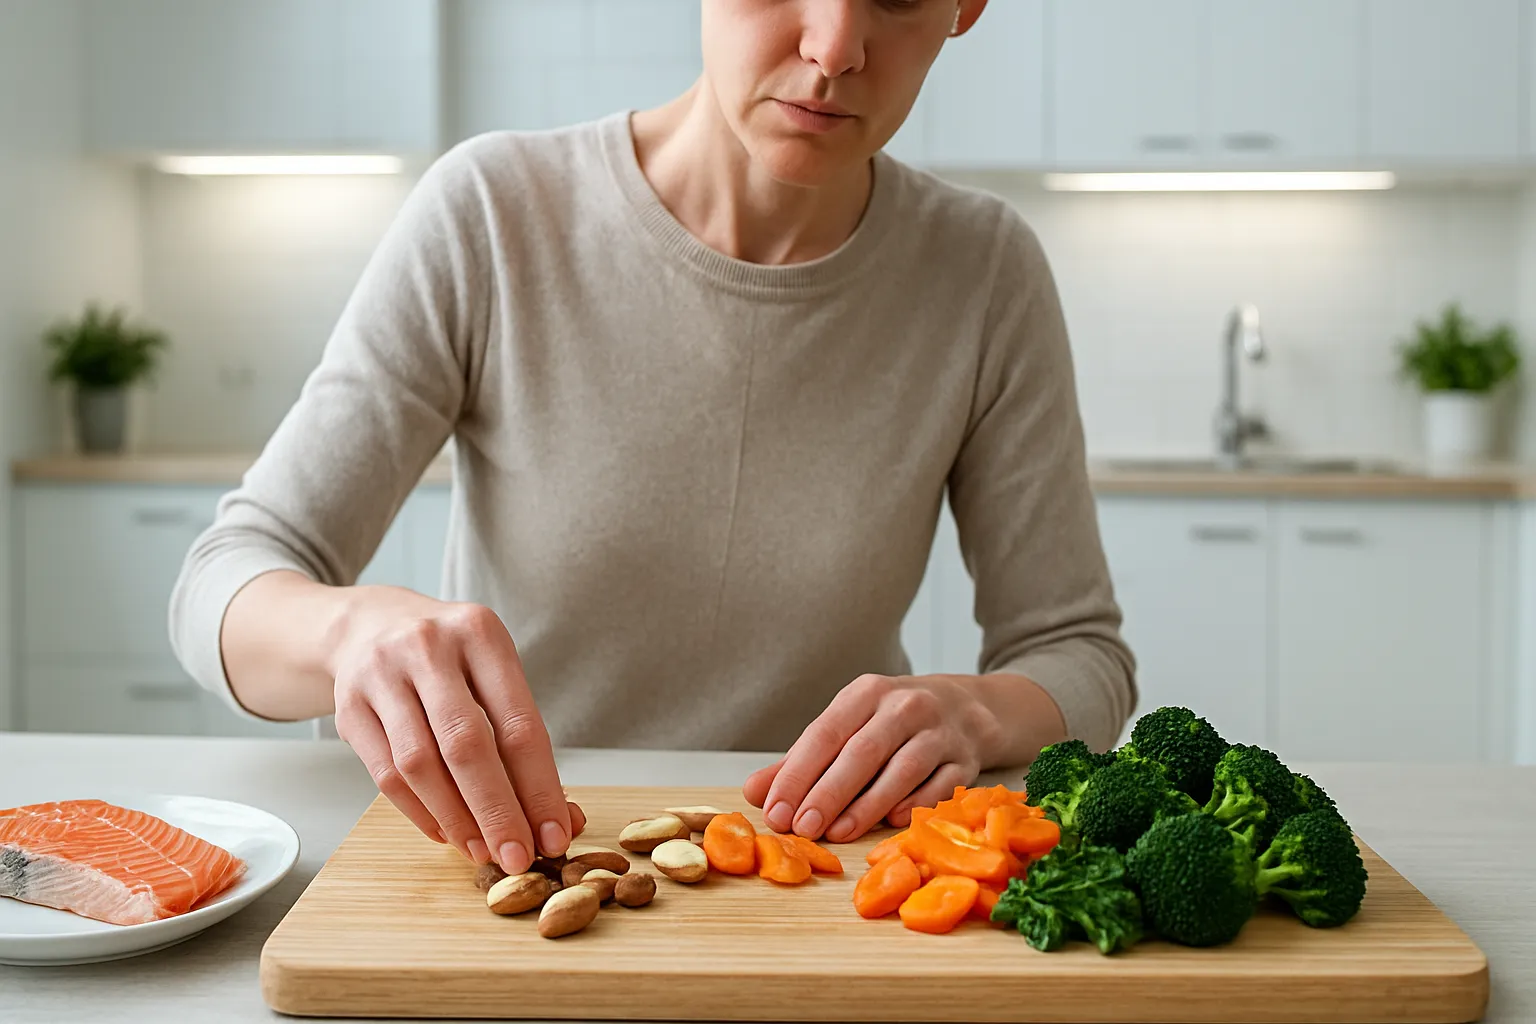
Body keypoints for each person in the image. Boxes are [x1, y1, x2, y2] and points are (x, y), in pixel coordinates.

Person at [168, 0, 1136, 879]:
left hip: (811, 888)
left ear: (965, 9)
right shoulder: (494, 212)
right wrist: (350, 635)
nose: (834, 46)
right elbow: (225, 581)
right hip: (523, 867)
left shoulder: (984, 272)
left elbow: (1079, 652)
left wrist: (975, 711)